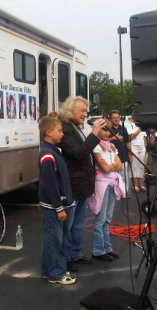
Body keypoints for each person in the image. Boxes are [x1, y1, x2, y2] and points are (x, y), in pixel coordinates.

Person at [58, 96, 106, 272]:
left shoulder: (75, 128)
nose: (85, 114)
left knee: (79, 224)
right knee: (68, 225)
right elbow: (79, 153)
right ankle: (66, 258)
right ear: (71, 110)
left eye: (86, 111)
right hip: (72, 185)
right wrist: (94, 134)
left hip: (82, 185)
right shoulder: (65, 129)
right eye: (82, 111)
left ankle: (76, 254)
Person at [38, 117, 76, 285]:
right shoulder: (47, 154)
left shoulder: (53, 150)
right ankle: (57, 274)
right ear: (49, 132)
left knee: (51, 239)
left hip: (58, 204)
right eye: (59, 130)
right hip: (55, 206)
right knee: (56, 240)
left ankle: (48, 270)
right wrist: (59, 208)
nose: (62, 133)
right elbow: (49, 185)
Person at [87, 120, 125, 261]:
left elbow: (120, 166)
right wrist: (113, 165)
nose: (108, 133)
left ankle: (107, 248)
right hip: (101, 185)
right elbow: (106, 168)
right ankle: (98, 250)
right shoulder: (96, 147)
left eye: (108, 130)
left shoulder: (112, 146)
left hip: (111, 184)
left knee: (107, 219)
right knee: (100, 218)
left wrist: (112, 165)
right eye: (104, 130)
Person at [108, 110, 131, 197]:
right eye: (114, 118)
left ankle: (125, 192)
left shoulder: (123, 129)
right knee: (113, 176)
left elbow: (128, 142)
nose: (116, 119)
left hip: (124, 155)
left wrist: (130, 154)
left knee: (124, 176)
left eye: (117, 117)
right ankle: (116, 192)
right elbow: (103, 140)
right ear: (111, 119)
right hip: (111, 157)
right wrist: (113, 138)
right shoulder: (108, 129)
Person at [127, 114, 147, 192]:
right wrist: (139, 130)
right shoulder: (129, 125)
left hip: (142, 148)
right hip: (133, 147)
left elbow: (144, 137)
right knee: (133, 166)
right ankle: (134, 185)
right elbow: (131, 136)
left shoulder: (142, 124)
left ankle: (140, 184)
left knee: (141, 166)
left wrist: (145, 147)